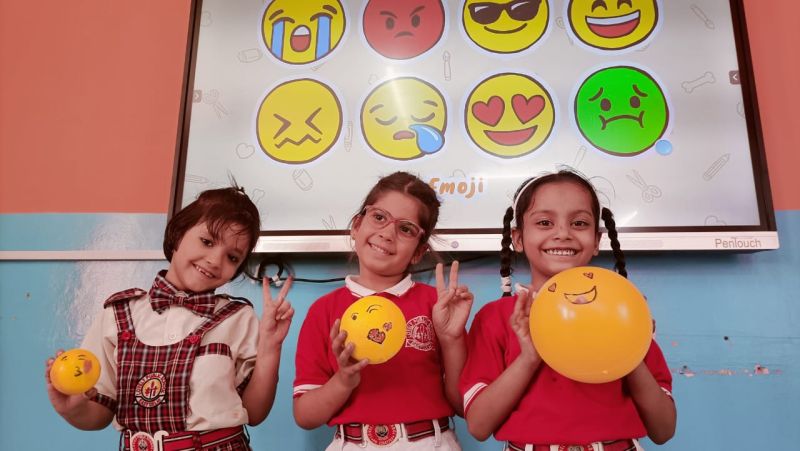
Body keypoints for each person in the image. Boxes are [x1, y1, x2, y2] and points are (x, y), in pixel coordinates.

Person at [45, 186, 294, 450]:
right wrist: (71, 408)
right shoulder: (118, 315)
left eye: (232, 257)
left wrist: (270, 346)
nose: (214, 260)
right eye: (207, 242)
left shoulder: (237, 317)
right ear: (177, 235)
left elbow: (254, 413)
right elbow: (99, 414)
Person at [460, 170, 676, 450]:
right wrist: (529, 357)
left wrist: (628, 348)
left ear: (596, 241)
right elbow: (478, 426)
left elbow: (663, 429)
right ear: (518, 238)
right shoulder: (495, 317)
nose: (563, 233)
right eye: (544, 222)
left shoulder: (625, 314)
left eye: (579, 223)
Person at [293, 171, 473, 450]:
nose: (387, 234)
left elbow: (464, 405)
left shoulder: (438, 305)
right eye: (379, 217)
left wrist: (452, 339)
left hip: (430, 443)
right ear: (356, 226)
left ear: (418, 251)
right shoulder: (324, 310)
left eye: (406, 229)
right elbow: (305, 416)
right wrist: (343, 380)